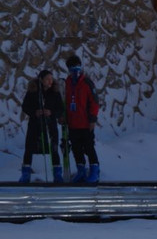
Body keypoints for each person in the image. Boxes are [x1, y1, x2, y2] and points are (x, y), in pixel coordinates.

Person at [18, 70, 65, 183]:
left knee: (54, 148)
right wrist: (35, 112)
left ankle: (57, 175)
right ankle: (25, 174)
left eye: (51, 79)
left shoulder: (55, 91)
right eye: (47, 79)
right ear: (41, 79)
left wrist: (51, 112)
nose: (50, 81)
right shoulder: (33, 91)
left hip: (50, 124)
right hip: (35, 124)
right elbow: (25, 106)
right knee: (29, 148)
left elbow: (60, 109)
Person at [64, 54, 101, 183]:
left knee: (89, 147)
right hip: (73, 123)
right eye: (72, 68)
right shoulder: (68, 83)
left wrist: (92, 119)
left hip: (86, 123)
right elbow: (67, 101)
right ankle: (81, 171)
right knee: (76, 149)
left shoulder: (87, 82)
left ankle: (95, 170)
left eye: (77, 67)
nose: (75, 71)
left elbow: (94, 102)